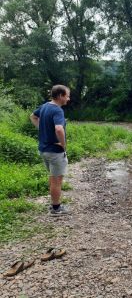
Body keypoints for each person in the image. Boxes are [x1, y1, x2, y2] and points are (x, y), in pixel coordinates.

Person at [30, 85, 71, 215]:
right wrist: (63, 144)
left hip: (44, 150)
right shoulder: (57, 110)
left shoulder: (45, 106)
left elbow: (33, 116)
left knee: (53, 178)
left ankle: (54, 203)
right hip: (54, 151)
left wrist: (41, 129)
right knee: (57, 180)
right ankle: (56, 208)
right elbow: (59, 129)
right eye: (67, 96)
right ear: (60, 96)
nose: (68, 99)